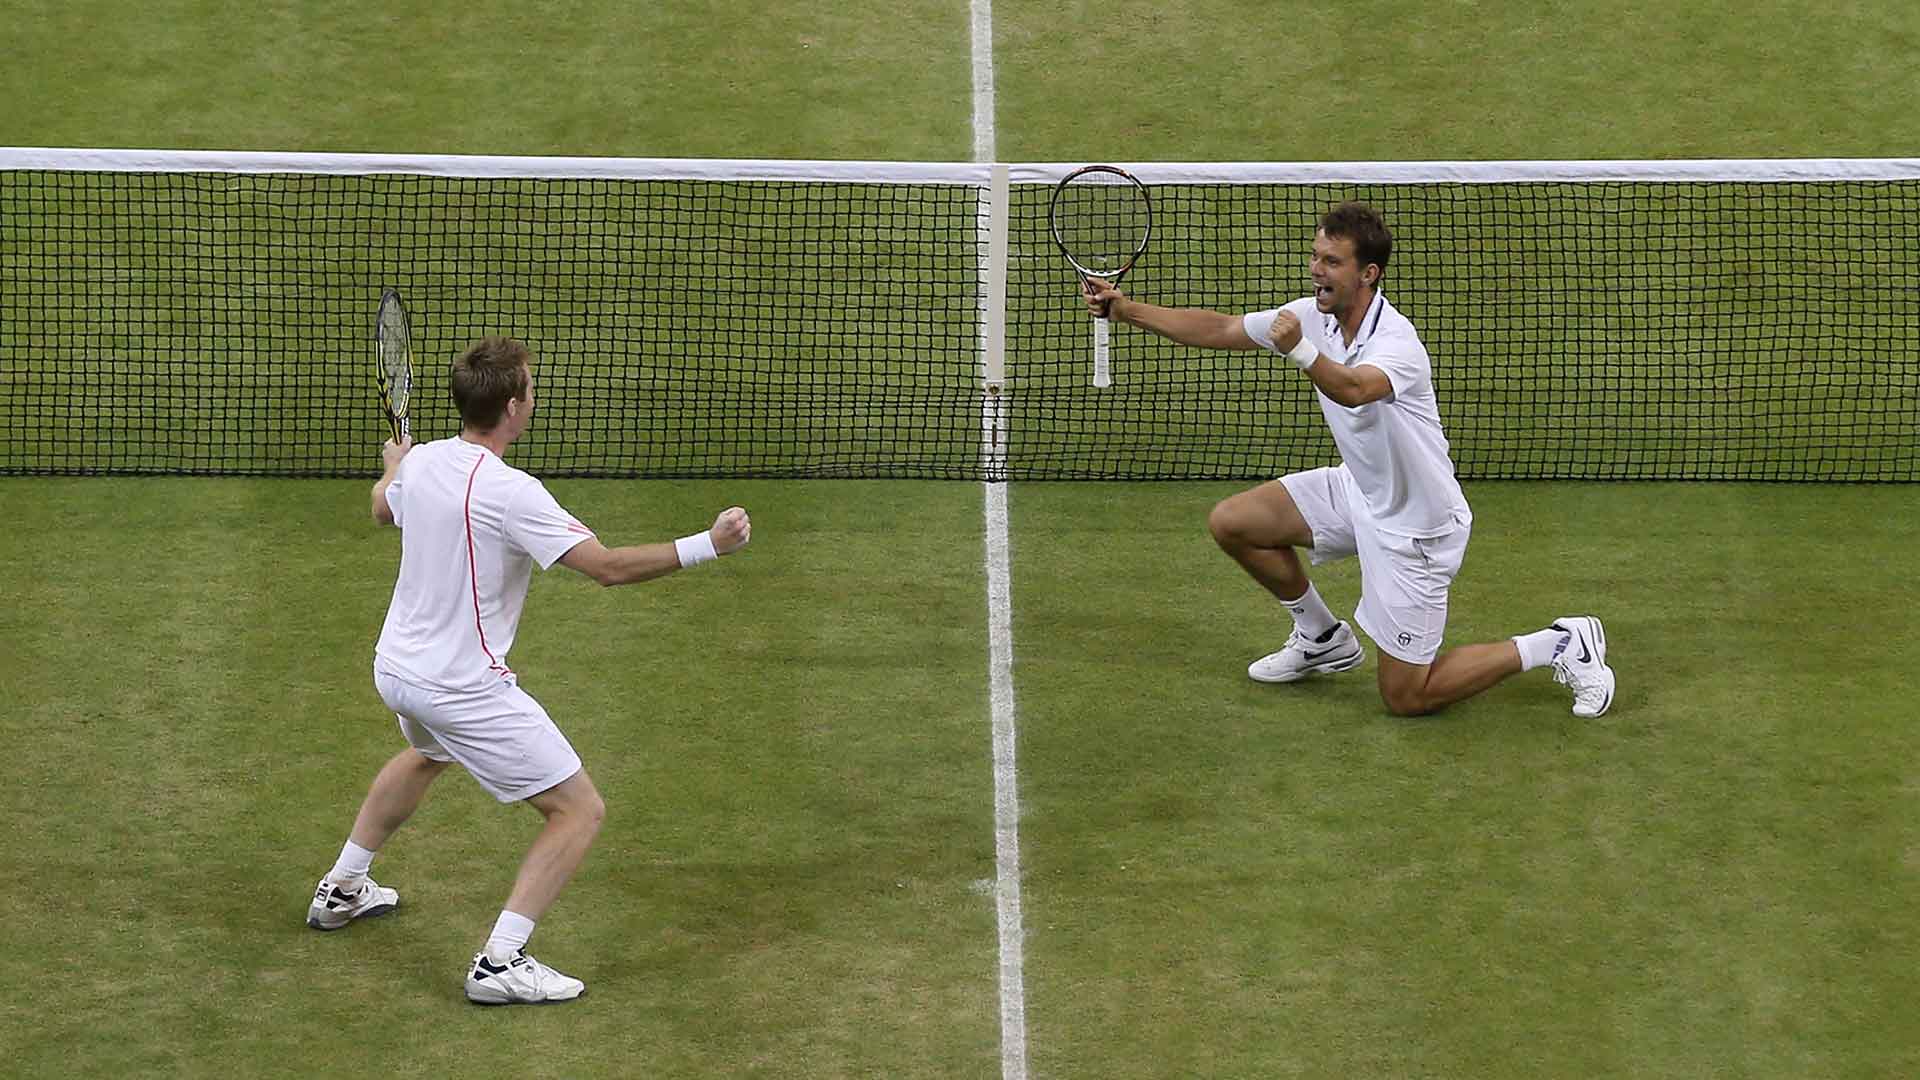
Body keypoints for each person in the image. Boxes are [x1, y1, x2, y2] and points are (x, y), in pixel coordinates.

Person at [305, 337, 752, 1005]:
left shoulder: (423, 462)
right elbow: (606, 568)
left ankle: (341, 887)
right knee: (578, 811)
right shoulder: (514, 494)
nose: (534, 398)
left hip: (397, 669)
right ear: (513, 408)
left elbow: (379, 507)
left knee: (427, 752)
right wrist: (707, 546)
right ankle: (499, 963)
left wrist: (394, 469)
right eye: (531, 391)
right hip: (460, 686)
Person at [1082, 201, 1614, 719]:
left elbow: (1357, 389)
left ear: (1369, 274)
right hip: (1360, 489)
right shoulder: (1313, 318)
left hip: (1416, 529)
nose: (1317, 270)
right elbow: (1222, 328)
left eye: (1332, 261)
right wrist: (1126, 310)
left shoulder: (1396, 343)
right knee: (1234, 522)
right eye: (1316, 257)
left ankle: (1560, 643)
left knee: (1408, 697)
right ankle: (1321, 636)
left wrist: (1301, 352)